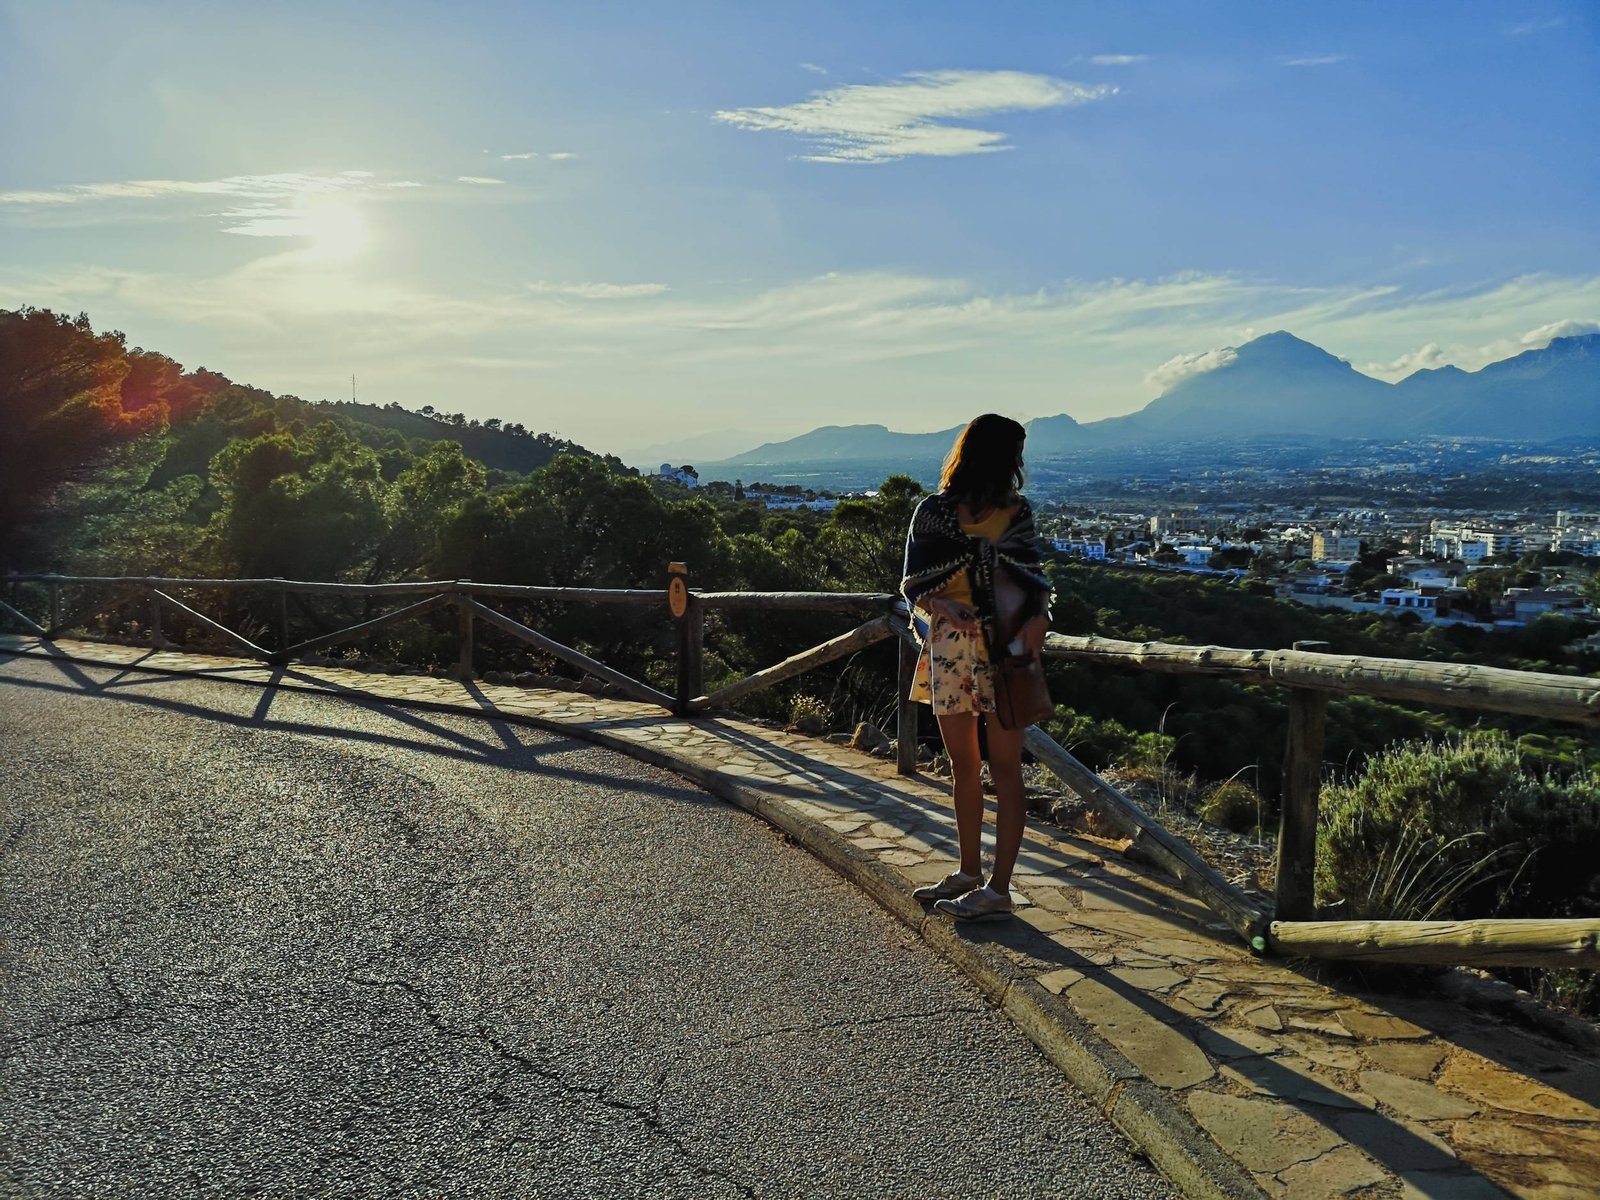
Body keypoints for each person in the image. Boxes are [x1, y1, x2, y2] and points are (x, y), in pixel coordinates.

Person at [900, 414, 1052, 921]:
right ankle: (969, 873)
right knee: (964, 765)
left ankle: (999, 888)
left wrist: (1038, 620)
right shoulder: (934, 513)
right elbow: (915, 584)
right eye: (1014, 451)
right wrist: (945, 608)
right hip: (949, 646)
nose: (1019, 461)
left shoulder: (1017, 514)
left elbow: (1033, 582)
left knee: (1005, 768)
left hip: (1001, 652)